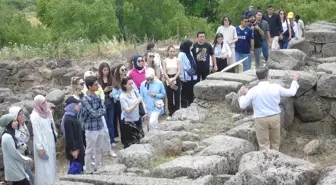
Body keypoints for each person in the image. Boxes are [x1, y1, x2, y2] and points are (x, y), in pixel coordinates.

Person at [238, 67, 300, 151]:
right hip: (275, 117)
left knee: (264, 145)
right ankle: (276, 158)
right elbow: (291, 92)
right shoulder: (275, 87)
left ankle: (266, 161)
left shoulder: (253, 90)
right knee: (275, 143)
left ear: (257, 77)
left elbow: (242, 105)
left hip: (261, 119)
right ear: (267, 76)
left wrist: (242, 95)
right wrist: (295, 80)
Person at [83, 71, 116, 157]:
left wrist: (100, 108)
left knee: (105, 131)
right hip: (90, 118)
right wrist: (98, 111)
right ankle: (94, 153)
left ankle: (108, 149)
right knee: (93, 136)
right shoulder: (84, 90)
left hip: (100, 114)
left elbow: (102, 97)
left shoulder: (98, 87)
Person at [81, 76, 107, 174]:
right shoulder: (85, 99)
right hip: (91, 128)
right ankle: (88, 170)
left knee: (98, 149)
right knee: (89, 151)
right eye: (95, 84)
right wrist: (99, 111)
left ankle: (98, 166)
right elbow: (93, 113)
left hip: (100, 126)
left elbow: (103, 109)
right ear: (89, 86)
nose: (97, 86)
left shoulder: (97, 96)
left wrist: (98, 111)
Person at [30, 95, 57, 185]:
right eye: (43, 103)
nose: (46, 104)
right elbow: (37, 133)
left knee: (51, 163)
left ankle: (52, 182)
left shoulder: (48, 112)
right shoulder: (34, 116)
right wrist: (40, 148)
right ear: (38, 104)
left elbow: (52, 126)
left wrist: (55, 137)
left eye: (45, 101)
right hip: (42, 144)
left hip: (50, 141)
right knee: (44, 166)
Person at [0, 114, 33, 185]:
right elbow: (15, 154)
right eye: (14, 121)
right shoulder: (7, 137)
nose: (17, 122)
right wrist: (27, 160)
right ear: (8, 123)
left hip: (16, 168)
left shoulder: (9, 134)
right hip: (15, 169)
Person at [120, 77, 148, 148]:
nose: (131, 85)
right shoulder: (122, 96)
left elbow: (141, 100)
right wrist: (136, 103)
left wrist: (145, 112)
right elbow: (127, 110)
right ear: (124, 85)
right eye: (129, 84)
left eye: (132, 83)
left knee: (140, 138)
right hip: (128, 121)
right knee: (129, 142)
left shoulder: (134, 91)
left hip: (137, 118)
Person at [8, 107, 33, 185]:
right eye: (19, 114)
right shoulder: (12, 132)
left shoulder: (23, 126)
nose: (22, 116)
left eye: (22, 113)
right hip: (19, 160)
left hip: (25, 157)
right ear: (14, 116)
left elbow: (27, 138)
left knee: (30, 177)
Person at [62, 96, 85, 173]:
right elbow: (70, 137)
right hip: (75, 151)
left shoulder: (73, 116)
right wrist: (74, 150)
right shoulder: (68, 119)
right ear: (71, 106)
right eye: (76, 104)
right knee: (76, 170)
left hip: (78, 148)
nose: (78, 106)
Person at [97, 62, 116, 147]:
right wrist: (104, 91)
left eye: (107, 69)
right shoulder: (98, 81)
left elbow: (116, 88)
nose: (106, 71)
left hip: (111, 102)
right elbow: (97, 93)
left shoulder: (111, 78)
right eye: (104, 70)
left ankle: (112, 140)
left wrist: (112, 92)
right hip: (103, 103)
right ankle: (106, 141)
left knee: (111, 122)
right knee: (105, 123)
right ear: (101, 71)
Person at [162, 46, 181, 120]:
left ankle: (177, 112)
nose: (172, 53)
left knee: (177, 96)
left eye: (174, 51)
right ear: (168, 52)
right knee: (169, 96)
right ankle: (171, 112)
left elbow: (179, 71)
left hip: (176, 77)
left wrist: (174, 78)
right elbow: (164, 71)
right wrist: (169, 79)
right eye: (171, 51)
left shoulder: (177, 60)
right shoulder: (165, 61)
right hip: (168, 78)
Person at [179, 40, 198, 108]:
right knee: (184, 92)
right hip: (185, 76)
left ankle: (190, 105)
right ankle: (184, 106)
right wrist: (181, 76)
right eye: (191, 45)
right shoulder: (181, 54)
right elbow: (180, 66)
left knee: (191, 91)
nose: (192, 47)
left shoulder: (190, 52)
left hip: (192, 75)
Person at [70, 77, 86, 147]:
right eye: (81, 84)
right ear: (76, 85)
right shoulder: (73, 98)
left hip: (85, 120)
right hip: (78, 121)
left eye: (84, 83)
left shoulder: (83, 94)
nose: (83, 85)